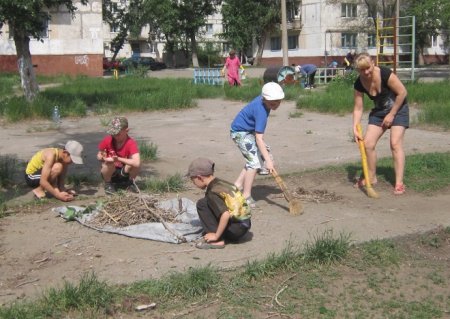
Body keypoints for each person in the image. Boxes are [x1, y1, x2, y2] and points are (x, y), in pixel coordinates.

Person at [352, 52, 409, 195]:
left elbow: (402, 92)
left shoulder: (384, 74)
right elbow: (358, 108)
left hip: (398, 109)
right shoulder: (359, 83)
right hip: (379, 112)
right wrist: (355, 126)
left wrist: (392, 114)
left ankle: (399, 183)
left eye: (368, 68)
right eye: (361, 70)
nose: (366, 72)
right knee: (368, 144)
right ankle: (372, 177)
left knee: (395, 144)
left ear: (373, 63)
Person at [230, 82, 285, 207]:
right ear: (264, 99)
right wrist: (268, 161)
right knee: (254, 163)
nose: (275, 106)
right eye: (272, 103)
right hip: (240, 133)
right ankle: (246, 196)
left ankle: (236, 186)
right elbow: (259, 139)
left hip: (248, 132)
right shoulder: (261, 112)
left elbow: (259, 138)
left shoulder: (263, 102)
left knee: (254, 159)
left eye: (278, 102)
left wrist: (265, 155)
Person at [187, 157, 251, 249]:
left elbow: (225, 214)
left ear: (199, 177)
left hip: (235, 230)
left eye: (192, 180)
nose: (193, 183)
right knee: (207, 203)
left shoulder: (213, 192)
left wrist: (216, 235)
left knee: (202, 204)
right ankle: (221, 234)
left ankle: (217, 240)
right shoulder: (222, 183)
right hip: (244, 225)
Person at [97, 116, 141, 194]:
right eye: (113, 133)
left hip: (124, 172)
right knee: (108, 164)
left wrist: (118, 159)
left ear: (126, 130)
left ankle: (130, 183)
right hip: (111, 173)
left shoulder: (131, 143)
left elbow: (137, 162)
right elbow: (99, 154)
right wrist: (101, 157)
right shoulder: (108, 140)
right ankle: (108, 184)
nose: (115, 136)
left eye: (118, 134)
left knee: (135, 163)